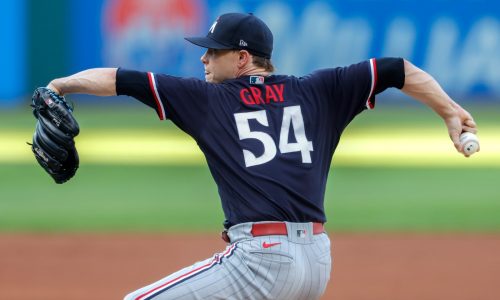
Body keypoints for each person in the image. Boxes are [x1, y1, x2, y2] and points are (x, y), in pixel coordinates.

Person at [46, 12, 477, 300]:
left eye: (213, 51)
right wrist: (451, 113)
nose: (204, 57)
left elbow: (119, 79)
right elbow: (398, 69)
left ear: (242, 57)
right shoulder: (320, 90)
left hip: (261, 259)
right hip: (317, 262)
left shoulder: (207, 100)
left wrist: (59, 86)